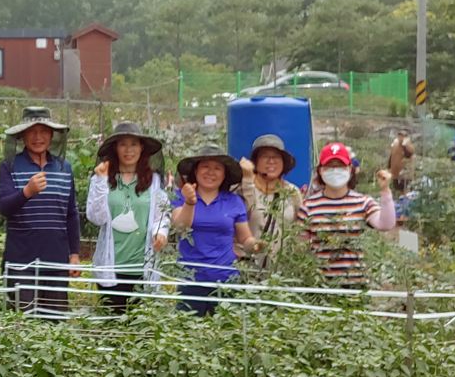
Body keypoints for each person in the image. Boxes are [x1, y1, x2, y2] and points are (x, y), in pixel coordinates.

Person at [0, 107, 80, 313]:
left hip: (56, 260)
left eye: (43, 131)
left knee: (54, 322)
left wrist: (75, 254)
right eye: (32, 131)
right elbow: (4, 208)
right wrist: (27, 192)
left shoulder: (64, 168)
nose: (38, 137)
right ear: (22, 135)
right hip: (21, 261)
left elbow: (71, 213)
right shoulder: (10, 166)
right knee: (20, 322)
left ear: (51, 135)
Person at [86, 122, 171, 312]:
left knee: (141, 332)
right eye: (123, 144)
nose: (128, 150)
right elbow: (95, 217)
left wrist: (161, 233)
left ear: (142, 148)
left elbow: (161, 214)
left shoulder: (154, 181)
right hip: (111, 268)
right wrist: (100, 181)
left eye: (133, 144)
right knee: (112, 326)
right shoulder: (102, 178)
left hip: (142, 267)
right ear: (115, 148)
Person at [170, 145, 264, 316]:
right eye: (205, 167)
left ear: (224, 174)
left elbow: (245, 238)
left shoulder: (233, 201)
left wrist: (255, 245)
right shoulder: (181, 196)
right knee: (187, 333)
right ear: (196, 171)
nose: (210, 172)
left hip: (226, 279)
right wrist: (190, 202)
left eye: (217, 168)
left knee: (227, 335)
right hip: (191, 279)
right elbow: (180, 227)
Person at [298, 142, 397, 287]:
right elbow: (301, 249)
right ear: (320, 170)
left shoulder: (363, 202)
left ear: (350, 169)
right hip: (320, 288)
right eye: (330, 166)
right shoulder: (308, 206)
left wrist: (385, 191)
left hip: (355, 286)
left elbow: (386, 224)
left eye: (340, 166)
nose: (335, 171)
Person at [235, 134, 302, 269]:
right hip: (247, 268)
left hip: (282, 271)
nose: (271, 161)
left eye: (276, 157)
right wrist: (247, 182)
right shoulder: (242, 189)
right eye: (265, 156)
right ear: (255, 162)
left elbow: (299, 229)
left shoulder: (292, 192)